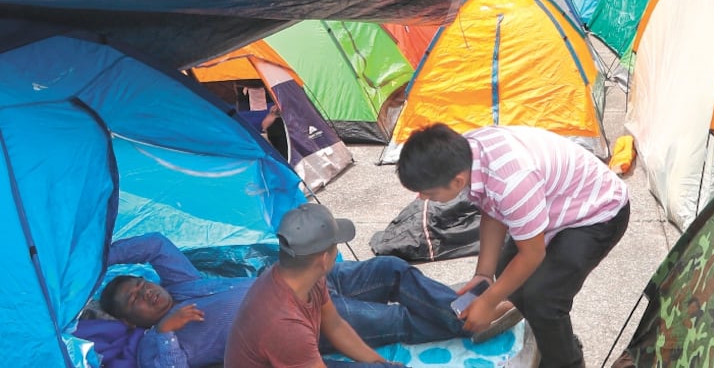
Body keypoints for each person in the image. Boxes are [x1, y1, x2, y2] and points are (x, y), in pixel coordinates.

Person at [397, 124, 631, 368]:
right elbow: (492, 210)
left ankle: (568, 361)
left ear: (457, 182)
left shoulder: (511, 181)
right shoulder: (467, 152)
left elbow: (532, 253)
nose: (422, 198)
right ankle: (553, 338)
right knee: (506, 267)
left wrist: (488, 303)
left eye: (429, 193)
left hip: (599, 212)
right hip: (558, 203)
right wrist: (484, 275)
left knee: (544, 299)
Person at [100, 224, 491, 367]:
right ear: (130, 322)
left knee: (390, 268)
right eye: (135, 300)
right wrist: (167, 329)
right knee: (395, 321)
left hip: (307, 282)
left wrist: (93, 259)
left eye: (140, 284)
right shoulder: (151, 346)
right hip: (299, 324)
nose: (146, 292)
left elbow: (154, 243)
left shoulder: (181, 285)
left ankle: (467, 309)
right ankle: (471, 322)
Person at [225, 204, 396, 367]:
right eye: (335, 246)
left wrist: (382, 363)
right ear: (324, 259)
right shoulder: (285, 324)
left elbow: (335, 326)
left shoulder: (302, 276)